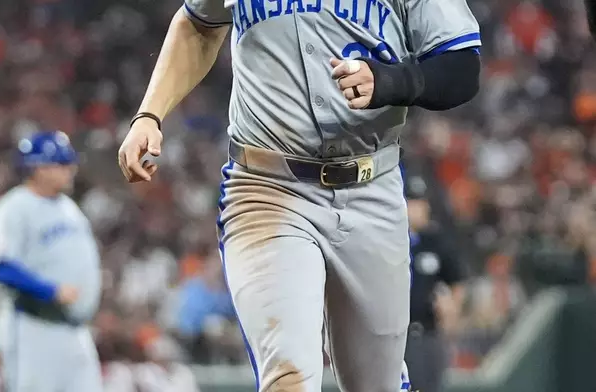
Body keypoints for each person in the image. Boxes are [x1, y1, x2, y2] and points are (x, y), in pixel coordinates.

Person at [117, 0, 481, 390]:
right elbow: (198, 25)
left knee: (380, 384)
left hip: (371, 187)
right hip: (268, 186)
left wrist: (392, 81)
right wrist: (149, 114)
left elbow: (462, 66)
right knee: (288, 377)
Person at [0, 131, 103, 392]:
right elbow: (1, 267)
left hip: (76, 331)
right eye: (61, 163)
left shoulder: (70, 208)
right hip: (33, 328)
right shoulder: (13, 207)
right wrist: (51, 291)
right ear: (38, 168)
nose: (70, 169)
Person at [403, 174, 467, 392]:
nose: (415, 208)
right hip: (391, 336)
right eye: (410, 201)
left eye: (419, 202)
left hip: (426, 334)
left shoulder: (436, 241)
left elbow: (457, 282)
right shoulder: (388, 241)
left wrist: (452, 313)